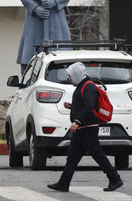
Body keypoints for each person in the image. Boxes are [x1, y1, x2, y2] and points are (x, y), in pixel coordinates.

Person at [48, 62, 123, 193]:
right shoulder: (82, 86)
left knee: (97, 154)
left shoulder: (88, 87)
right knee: (72, 157)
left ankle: (115, 178)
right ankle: (63, 183)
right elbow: (84, 105)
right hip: (82, 129)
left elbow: (89, 106)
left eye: (70, 76)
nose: (69, 78)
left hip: (87, 128)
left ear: (76, 75)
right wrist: (72, 106)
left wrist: (76, 121)